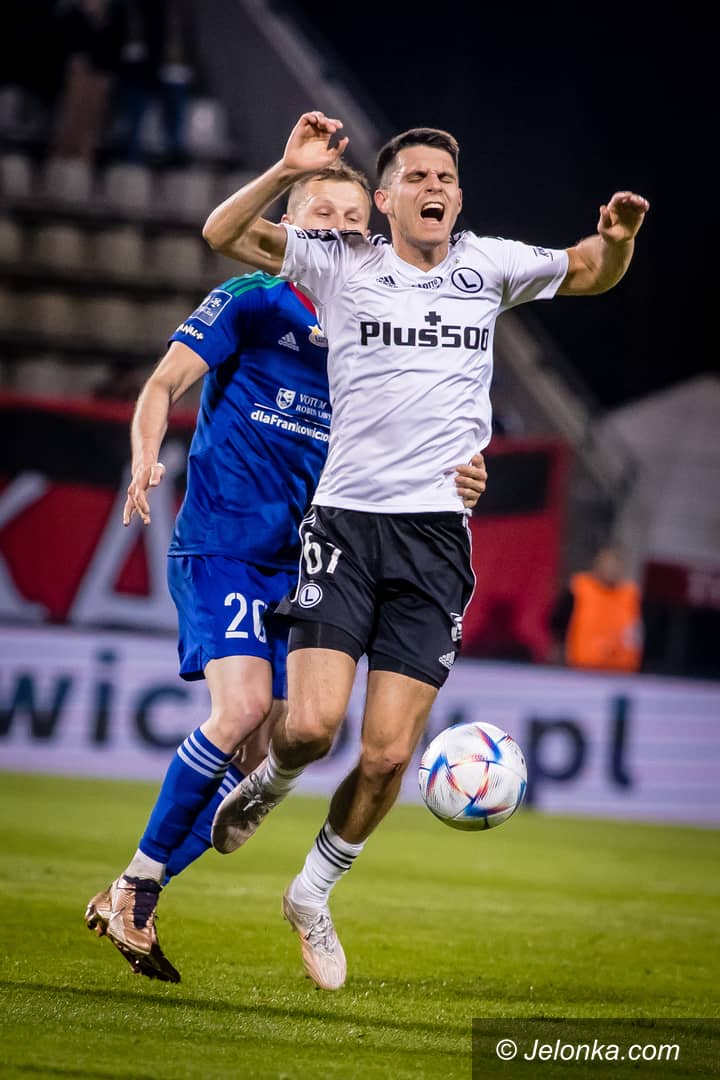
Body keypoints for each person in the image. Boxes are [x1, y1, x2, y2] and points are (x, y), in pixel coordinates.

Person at [204, 111, 649, 991]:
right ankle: (271, 779)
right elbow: (222, 234)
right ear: (384, 199)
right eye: (415, 177)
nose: (433, 188)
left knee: (385, 758)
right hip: (345, 522)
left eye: (444, 178)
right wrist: (285, 169)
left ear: (458, 196)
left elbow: (590, 269)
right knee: (311, 727)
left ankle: (311, 894)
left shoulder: (490, 266)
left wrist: (621, 239)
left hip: (437, 538)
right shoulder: (341, 263)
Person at [83, 159, 488, 983]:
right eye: (321, 214)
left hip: (309, 561)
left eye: (351, 217)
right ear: (294, 229)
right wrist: (144, 457)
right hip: (225, 545)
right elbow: (163, 383)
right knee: (238, 713)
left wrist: (466, 473)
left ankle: (134, 890)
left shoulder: (377, 331)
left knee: (272, 750)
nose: (338, 227)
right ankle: (134, 887)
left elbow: (424, 438)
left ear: (370, 232)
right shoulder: (254, 301)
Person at [550, 545, 644, 672]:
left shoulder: (630, 595)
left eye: (615, 564)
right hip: (582, 666)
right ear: (596, 565)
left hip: (621, 669)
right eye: (607, 563)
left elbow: (636, 632)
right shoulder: (579, 589)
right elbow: (558, 622)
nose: (611, 569)